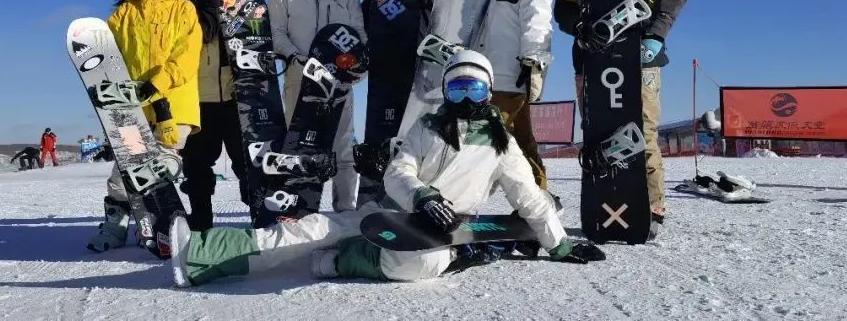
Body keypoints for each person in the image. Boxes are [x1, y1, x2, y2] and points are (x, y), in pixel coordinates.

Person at [167, 50, 602, 287]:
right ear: (446, 92)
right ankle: (202, 254)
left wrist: (559, 245)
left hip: (441, 230)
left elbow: (527, 195)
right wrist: (423, 195)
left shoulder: (501, 143)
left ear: (488, 93)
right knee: (306, 230)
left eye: (475, 88)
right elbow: (399, 171)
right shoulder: (426, 129)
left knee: (423, 268)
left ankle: (342, 263)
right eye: (458, 87)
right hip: (391, 213)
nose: (467, 98)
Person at [552, 0, 690, 239]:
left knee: (640, 127)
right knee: (598, 129)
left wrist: (657, 33)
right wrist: (578, 28)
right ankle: (604, 200)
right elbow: (563, 6)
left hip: (639, 47)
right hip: (592, 54)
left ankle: (651, 205)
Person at [86, 0, 203, 252]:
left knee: (160, 166)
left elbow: (187, 58)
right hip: (132, 106)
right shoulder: (127, 10)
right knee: (124, 173)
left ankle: (163, 228)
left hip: (173, 105)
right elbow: (107, 54)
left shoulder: (185, 9)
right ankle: (115, 228)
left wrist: (157, 84)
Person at [268, 0, 366, 214]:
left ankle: (345, 211)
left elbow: (358, 33)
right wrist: (294, 56)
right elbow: (276, 31)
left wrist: (352, 66)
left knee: (342, 146)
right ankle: (299, 209)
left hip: (338, 80)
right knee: (299, 145)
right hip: (300, 77)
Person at [470, 0, 561, 192]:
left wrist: (534, 60)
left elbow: (538, 14)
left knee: (482, 142)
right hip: (489, 68)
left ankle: (461, 205)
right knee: (521, 142)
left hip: (511, 70)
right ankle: (539, 200)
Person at [359, 0, 439, 207]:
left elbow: (444, 16)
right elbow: (361, 27)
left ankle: (416, 200)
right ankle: (369, 203)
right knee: (378, 141)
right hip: (383, 76)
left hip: (419, 75)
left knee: (414, 142)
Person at [175, 0, 249, 231]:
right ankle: (201, 221)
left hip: (233, 97)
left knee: (246, 162)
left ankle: (258, 213)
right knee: (197, 166)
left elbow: (256, 36)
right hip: (197, 99)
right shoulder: (181, 2)